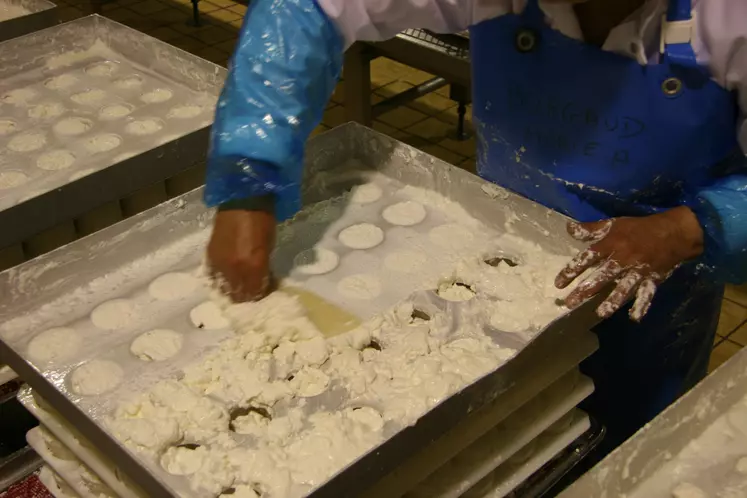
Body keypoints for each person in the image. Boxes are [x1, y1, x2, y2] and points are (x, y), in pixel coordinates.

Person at [205, 0, 747, 474]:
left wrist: (691, 228)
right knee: (502, 441)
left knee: (622, 449)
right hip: (498, 276)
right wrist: (249, 181)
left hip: (653, 312)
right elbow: (307, 8)